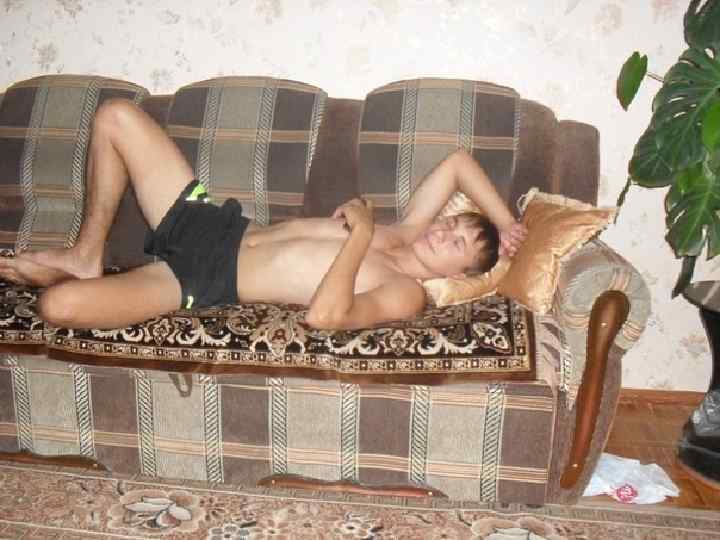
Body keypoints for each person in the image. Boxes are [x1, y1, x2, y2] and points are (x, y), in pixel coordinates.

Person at [0, 99, 526, 330]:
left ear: (458, 274)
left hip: (202, 279)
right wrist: (504, 223)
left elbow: (326, 317)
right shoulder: (406, 229)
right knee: (116, 115)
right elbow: (458, 163)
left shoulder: (407, 293)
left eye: (456, 243)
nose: (443, 231)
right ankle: (86, 254)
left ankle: (80, 278)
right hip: (214, 223)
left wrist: (360, 235)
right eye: (451, 223)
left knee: (58, 305)